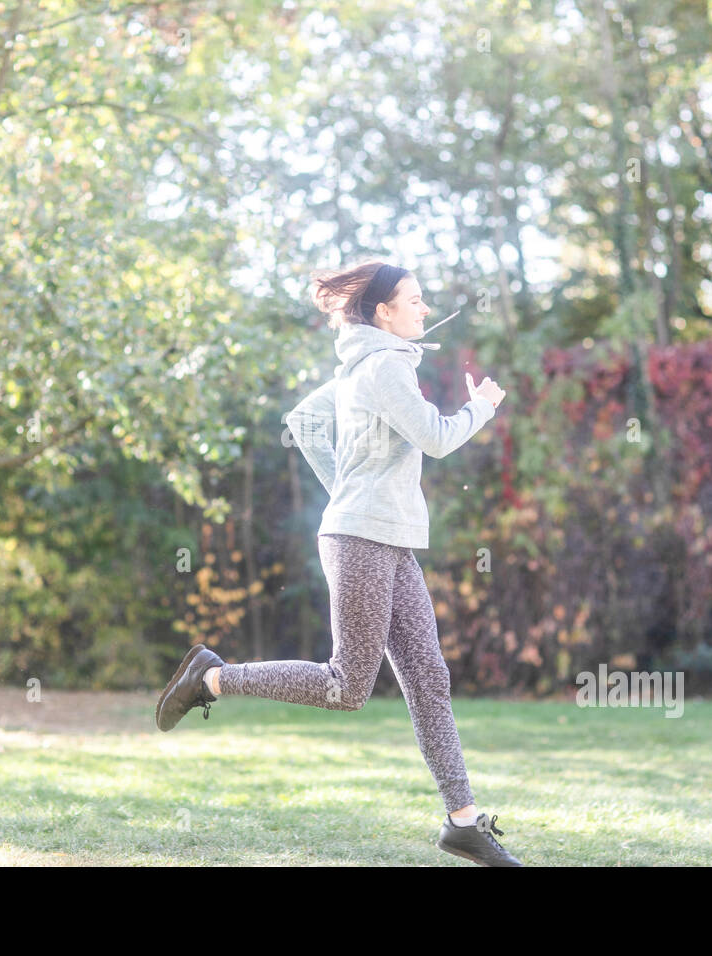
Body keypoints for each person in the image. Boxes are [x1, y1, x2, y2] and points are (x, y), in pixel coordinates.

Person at [155, 261, 520, 866]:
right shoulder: (380, 367)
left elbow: (303, 421)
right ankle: (211, 677)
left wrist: (348, 493)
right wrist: (481, 405)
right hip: (361, 539)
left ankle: (462, 822)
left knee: (429, 678)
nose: (424, 310)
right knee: (347, 686)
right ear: (383, 312)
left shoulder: (369, 365)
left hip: (383, 536)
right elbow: (436, 436)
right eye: (415, 301)